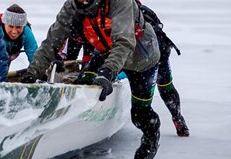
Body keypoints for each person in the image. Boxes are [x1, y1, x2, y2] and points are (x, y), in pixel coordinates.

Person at [20, 0, 163, 159]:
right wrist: (33, 73)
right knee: (83, 83)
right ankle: (80, 125)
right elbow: (52, 41)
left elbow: (124, 42)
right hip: (106, 52)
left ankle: (151, 135)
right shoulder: (72, 4)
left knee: (140, 114)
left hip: (141, 58)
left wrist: (107, 73)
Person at [56, 8, 190, 137]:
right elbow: (78, 57)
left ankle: (177, 118)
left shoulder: (111, 21)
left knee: (164, 83)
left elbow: (106, 56)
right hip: (126, 47)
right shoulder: (82, 25)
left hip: (151, 47)